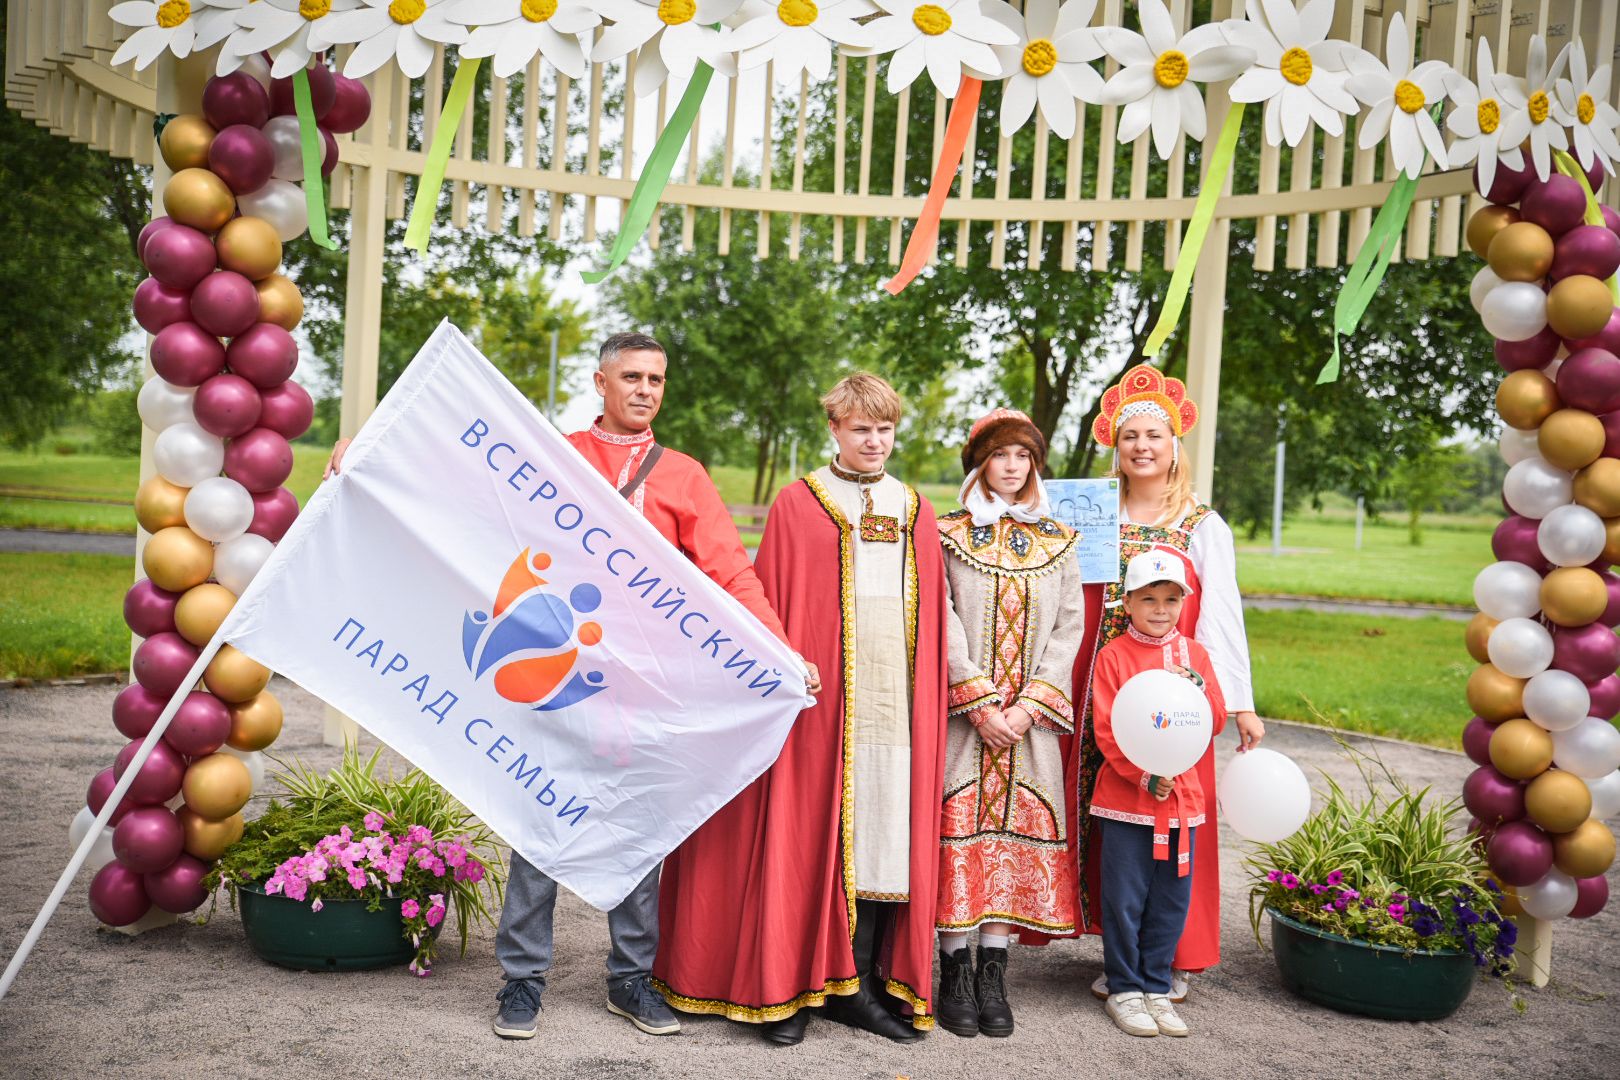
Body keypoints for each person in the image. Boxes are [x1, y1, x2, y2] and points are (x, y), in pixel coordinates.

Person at [324, 332, 819, 1042]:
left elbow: (728, 573)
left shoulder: (683, 475)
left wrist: (780, 649)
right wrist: (365, 455)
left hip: (645, 688)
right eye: (632, 377)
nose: (646, 389)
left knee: (640, 826)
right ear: (600, 381)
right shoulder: (551, 457)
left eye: (656, 378)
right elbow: (459, 487)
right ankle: (523, 980)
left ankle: (629, 979)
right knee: (542, 819)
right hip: (555, 672)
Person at [653, 373, 949, 1046]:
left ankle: (860, 987)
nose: (874, 441)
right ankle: (786, 986)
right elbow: (776, 605)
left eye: (884, 429)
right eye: (860, 429)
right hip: (823, 710)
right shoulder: (799, 503)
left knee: (882, 836)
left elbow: (932, 616)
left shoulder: (913, 507)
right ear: (835, 430)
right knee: (802, 838)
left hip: (895, 707)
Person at [1064, 363, 1262, 1003]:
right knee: (1110, 818)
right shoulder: (1093, 513)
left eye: (1154, 435)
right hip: (1104, 681)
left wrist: (1241, 702)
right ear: (1114, 447)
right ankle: (1118, 951)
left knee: (1173, 818)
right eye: (1130, 437)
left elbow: (1224, 613)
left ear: (1175, 444)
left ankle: (1173, 954)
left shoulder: (1201, 524)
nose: (1142, 447)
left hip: (1176, 697)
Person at [932, 409, 1083, 1039]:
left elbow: (1068, 628)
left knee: (1011, 842)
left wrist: (1025, 709)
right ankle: (953, 972)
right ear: (982, 462)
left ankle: (994, 973)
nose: (1014, 466)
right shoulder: (946, 535)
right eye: (1002, 455)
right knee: (959, 833)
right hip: (967, 725)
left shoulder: (1060, 540)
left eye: (1024, 455)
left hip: (1029, 728)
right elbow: (941, 620)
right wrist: (979, 704)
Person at [1089, 549, 1225, 1039]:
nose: (1162, 609)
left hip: (1182, 803)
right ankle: (1124, 987)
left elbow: (1215, 719)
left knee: (1170, 900)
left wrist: (1198, 694)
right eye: (1149, 599)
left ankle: (1156, 985)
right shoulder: (1114, 657)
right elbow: (1107, 729)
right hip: (1128, 801)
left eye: (1171, 599)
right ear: (1128, 602)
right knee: (1126, 899)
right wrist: (1143, 775)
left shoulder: (1196, 656)